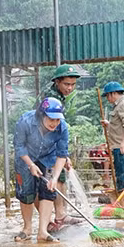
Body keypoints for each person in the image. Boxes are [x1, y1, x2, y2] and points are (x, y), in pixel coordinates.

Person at [13, 97, 69, 243]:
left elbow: (62, 154)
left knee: (49, 190)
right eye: (51, 119)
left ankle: (42, 231)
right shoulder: (25, 121)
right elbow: (19, 146)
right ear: (42, 115)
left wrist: (55, 178)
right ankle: (27, 228)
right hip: (25, 157)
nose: (54, 123)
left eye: (57, 120)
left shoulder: (62, 127)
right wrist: (31, 164)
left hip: (48, 158)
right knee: (26, 192)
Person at [39, 64, 82, 232]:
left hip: (54, 145)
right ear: (57, 82)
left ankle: (60, 215)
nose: (70, 88)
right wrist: (60, 154)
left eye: (72, 84)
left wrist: (63, 155)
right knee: (50, 181)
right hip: (43, 146)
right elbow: (49, 126)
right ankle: (49, 220)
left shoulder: (59, 96)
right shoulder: (50, 98)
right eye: (66, 84)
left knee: (60, 178)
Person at [100, 81, 124, 209]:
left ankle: (123, 208)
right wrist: (109, 124)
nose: (107, 99)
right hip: (118, 146)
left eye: (107, 96)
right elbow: (120, 124)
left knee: (123, 179)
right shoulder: (118, 106)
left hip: (122, 147)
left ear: (113, 94)